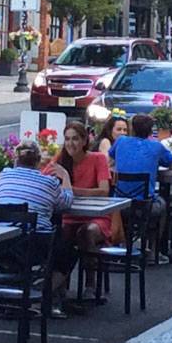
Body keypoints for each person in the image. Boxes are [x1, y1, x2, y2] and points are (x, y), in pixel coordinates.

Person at [0, 141, 77, 317]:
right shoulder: (49, 183)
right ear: (38, 162)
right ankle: (42, 290)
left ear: (15, 160)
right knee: (69, 251)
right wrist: (65, 177)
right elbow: (66, 203)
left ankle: (14, 289)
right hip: (34, 247)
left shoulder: (4, 176)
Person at [110, 113, 172, 264]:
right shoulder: (156, 147)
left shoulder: (120, 142)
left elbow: (109, 162)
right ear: (151, 131)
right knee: (162, 205)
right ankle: (154, 250)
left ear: (131, 128)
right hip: (144, 205)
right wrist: (156, 174)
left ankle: (122, 246)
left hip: (119, 204)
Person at [54, 121, 116, 291]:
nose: (70, 143)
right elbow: (44, 178)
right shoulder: (61, 159)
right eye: (67, 139)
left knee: (86, 232)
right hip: (69, 216)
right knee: (57, 236)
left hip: (97, 216)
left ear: (84, 141)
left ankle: (90, 284)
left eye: (75, 139)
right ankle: (59, 288)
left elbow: (104, 190)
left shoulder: (98, 159)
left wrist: (73, 190)